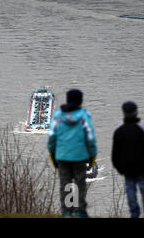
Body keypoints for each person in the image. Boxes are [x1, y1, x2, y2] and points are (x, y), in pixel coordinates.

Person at [48, 89, 97, 218]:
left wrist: (53, 154)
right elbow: (90, 138)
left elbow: (52, 137)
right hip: (80, 156)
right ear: (80, 100)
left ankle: (66, 211)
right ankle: (80, 211)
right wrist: (92, 156)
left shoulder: (58, 115)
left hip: (62, 156)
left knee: (65, 183)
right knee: (80, 183)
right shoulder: (85, 116)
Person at [111, 101, 144, 218]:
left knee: (130, 190)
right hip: (142, 167)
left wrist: (119, 167)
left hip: (127, 168)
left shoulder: (119, 131)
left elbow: (115, 153)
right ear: (136, 112)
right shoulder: (143, 128)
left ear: (123, 113)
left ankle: (134, 212)